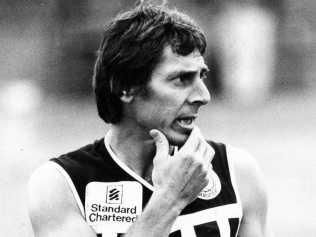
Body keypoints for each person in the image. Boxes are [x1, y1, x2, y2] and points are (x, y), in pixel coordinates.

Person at [28, 2, 271, 237]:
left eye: (201, 77)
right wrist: (170, 199)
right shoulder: (62, 185)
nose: (203, 96)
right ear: (126, 87)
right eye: (181, 79)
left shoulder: (237, 173)